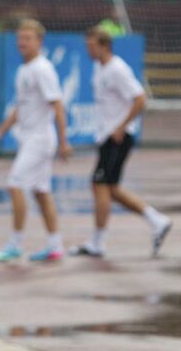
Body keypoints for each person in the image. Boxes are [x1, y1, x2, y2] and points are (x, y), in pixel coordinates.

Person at [69, 27, 172, 258]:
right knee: (111, 188)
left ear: (104, 45)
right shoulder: (99, 67)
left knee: (100, 185)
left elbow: (140, 99)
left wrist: (121, 126)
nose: (88, 48)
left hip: (118, 137)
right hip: (107, 135)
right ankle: (157, 220)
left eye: (92, 45)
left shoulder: (117, 69)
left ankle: (98, 242)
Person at [0, 19, 72, 263]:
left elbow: (57, 104)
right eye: (20, 38)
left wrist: (64, 142)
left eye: (28, 38)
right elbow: (18, 108)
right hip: (30, 140)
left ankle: (15, 243)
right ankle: (55, 246)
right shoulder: (25, 69)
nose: (22, 43)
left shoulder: (42, 69)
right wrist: (0, 133)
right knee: (41, 192)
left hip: (41, 139)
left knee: (15, 184)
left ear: (39, 42)